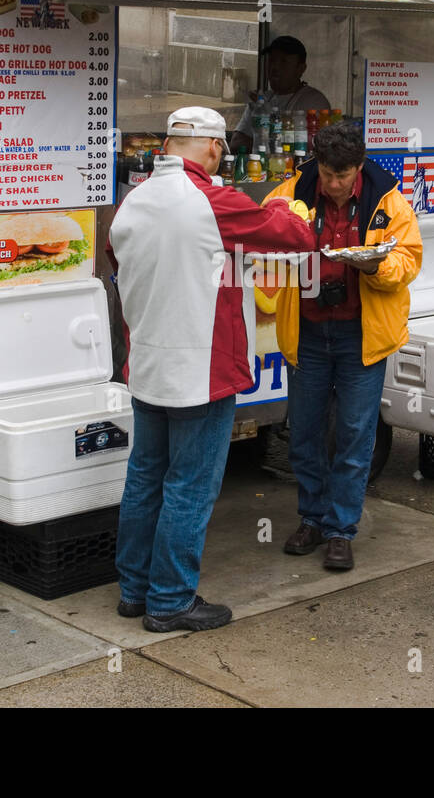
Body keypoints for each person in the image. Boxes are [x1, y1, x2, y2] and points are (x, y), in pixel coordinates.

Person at [109, 106, 315, 632]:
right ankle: (171, 599)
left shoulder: (133, 200)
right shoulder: (211, 199)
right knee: (190, 485)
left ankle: (134, 591)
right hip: (201, 368)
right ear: (215, 148)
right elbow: (288, 235)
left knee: (146, 477)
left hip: (148, 363)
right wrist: (296, 209)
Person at [263, 122, 422, 571]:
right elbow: (263, 238)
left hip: (361, 335)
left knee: (355, 435)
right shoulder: (289, 193)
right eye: (328, 174)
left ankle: (340, 530)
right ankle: (311, 519)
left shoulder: (389, 201)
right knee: (305, 434)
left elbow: (409, 259)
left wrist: (376, 267)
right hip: (308, 333)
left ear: (360, 166)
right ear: (317, 163)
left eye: (344, 175)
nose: (334, 184)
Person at [228, 35, 331, 154]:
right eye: (272, 60)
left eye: (284, 62)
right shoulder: (262, 100)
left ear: (301, 68)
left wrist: (262, 140)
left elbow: (307, 149)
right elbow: (236, 143)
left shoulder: (313, 101)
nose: (275, 67)